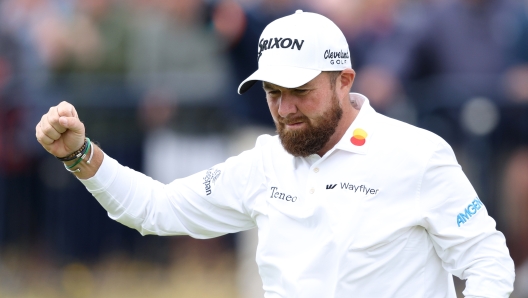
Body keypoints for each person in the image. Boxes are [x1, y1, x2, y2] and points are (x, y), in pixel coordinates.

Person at [35, 10, 514, 297]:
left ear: (343, 80)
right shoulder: (262, 163)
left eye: (300, 90)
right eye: (271, 92)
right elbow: (155, 209)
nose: (285, 109)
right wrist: (81, 154)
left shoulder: (417, 153)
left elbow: (487, 261)